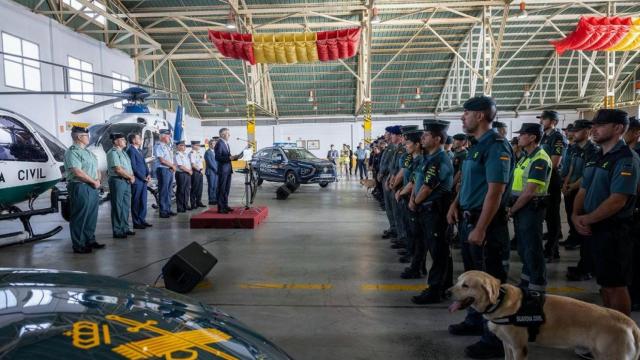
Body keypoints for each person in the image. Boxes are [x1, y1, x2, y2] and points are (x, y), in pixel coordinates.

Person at [446, 96, 514, 359]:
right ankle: (475, 321)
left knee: (491, 284)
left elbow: (495, 192)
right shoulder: (477, 146)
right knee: (473, 280)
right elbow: (470, 183)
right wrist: (455, 203)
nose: (462, 117)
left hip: (485, 224)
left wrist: (482, 227)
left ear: (481, 116)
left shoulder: (496, 146)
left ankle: (495, 339)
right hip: (468, 218)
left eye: (466, 113)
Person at [572, 109, 640, 316]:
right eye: (593, 125)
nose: (594, 129)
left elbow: (617, 200)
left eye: (600, 125)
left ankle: (620, 337)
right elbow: (584, 188)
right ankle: (607, 330)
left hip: (614, 230)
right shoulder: (597, 155)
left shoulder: (626, 159)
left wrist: (586, 218)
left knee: (615, 285)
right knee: (604, 283)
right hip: (594, 228)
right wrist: (576, 216)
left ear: (618, 128)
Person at [410, 120, 454, 304]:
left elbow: (428, 187)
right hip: (425, 210)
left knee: (439, 251)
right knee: (436, 249)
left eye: (426, 135)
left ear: (437, 139)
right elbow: (417, 181)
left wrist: (414, 202)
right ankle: (443, 286)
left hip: (435, 211)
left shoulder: (440, 160)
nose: (422, 137)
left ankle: (436, 289)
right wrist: (413, 198)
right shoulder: (427, 158)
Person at [509, 123, 552, 292]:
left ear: (533, 137)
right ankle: (526, 281)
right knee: (523, 247)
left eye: (522, 134)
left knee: (532, 247)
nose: (519, 137)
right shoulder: (526, 156)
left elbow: (529, 192)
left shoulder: (540, 158)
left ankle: (537, 286)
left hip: (530, 209)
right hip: (521, 208)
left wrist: (512, 210)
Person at [64, 126, 104, 254]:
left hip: (92, 186)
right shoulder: (72, 152)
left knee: (91, 215)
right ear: (79, 137)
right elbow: (77, 172)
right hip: (80, 186)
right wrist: (93, 181)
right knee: (80, 216)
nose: (89, 138)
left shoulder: (88, 152)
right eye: (86, 136)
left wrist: (98, 180)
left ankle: (89, 240)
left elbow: (96, 168)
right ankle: (79, 244)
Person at [538, 110, 567, 262]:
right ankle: (551, 248)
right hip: (544, 178)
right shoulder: (544, 136)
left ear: (553, 121)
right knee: (547, 215)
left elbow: (555, 162)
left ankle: (552, 249)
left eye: (544, 119)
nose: (541, 121)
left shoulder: (558, 137)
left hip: (552, 178)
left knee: (553, 217)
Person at [106, 133, 136, 239]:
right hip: (118, 181)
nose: (125, 141)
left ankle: (125, 227)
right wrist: (131, 177)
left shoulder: (123, 153)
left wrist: (130, 176)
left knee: (125, 206)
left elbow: (127, 168)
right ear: (115, 141)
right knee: (117, 206)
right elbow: (118, 169)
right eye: (122, 139)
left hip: (126, 181)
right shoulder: (113, 153)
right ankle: (117, 230)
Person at [379, 127, 402, 240]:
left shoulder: (395, 148)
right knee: (389, 206)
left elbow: (392, 166)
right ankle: (394, 228)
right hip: (389, 178)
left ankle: (397, 232)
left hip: (394, 180)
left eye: (390, 133)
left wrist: (383, 174)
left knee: (394, 208)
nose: (387, 135)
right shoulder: (392, 148)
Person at [126, 133, 151, 230]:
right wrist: (142, 177)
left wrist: (148, 174)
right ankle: (136, 222)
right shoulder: (131, 151)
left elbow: (144, 164)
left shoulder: (139, 150)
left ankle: (142, 219)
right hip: (137, 180)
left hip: (144, 179)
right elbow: (133, 167)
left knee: (143, 201)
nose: (141, 139)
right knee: (136, 201)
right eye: (139, 138)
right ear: (133, 140)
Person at [215, 128, 242, 214]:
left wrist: (235, 157)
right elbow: (217, 157)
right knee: (221, 189)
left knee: (226, 189)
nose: (229, 135)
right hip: (223, 170)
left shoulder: (226, 143)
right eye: (227, 133)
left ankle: (225, 205)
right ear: (222, 135)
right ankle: (220, 207)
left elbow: (228, 156)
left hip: (228, 169)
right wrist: (229, 158)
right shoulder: (219, 143)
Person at [154, 129, 177, 218]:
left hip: (169, 170)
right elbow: (162, 160)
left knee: (168, 191)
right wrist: (172, 166)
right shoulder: (159, 145)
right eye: (168, 136)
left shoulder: (166, 146)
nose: (169, 137)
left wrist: (172, 166)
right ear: (163, 136)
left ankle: (168, 209)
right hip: (163, 169)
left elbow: (170, 158)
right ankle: (163, 211)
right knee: (163, 191)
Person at [174, 140, 192, 213]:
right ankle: (180, 207)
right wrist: (189, 171)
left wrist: (190, 170)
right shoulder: (177, 154)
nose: (184, 147)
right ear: (178, 146)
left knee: (187, 190)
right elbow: (180, 166)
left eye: (184, 145)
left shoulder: (185, 154)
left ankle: (185, 204)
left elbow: (188, 164)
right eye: (182, 145)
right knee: (181, 190)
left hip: (187, 174)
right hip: (181, 174)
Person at [189, 141, 206, 209]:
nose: (199, 146)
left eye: (199, 145)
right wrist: (199, 170)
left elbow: (201, 162)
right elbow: (193, 164)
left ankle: (199, 202)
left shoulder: (199, 153)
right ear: (192, 145)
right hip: (195, 171)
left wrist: (203, 170)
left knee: (200, 188)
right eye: (197, 145)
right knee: (194, 188)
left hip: (200, 171)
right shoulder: (192, 153)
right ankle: (193, 203)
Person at [204, 138, 219, 206]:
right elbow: (210, 163)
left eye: (214, 144)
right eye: (212, 144)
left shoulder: (215, 152)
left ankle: (215, 198)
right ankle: (211, 199)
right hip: (211, 172)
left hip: (216, 172)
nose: (213, 145)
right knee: (211, 186)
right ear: (209, 145)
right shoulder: (207, 152)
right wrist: (216, 170)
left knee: (215, 186)